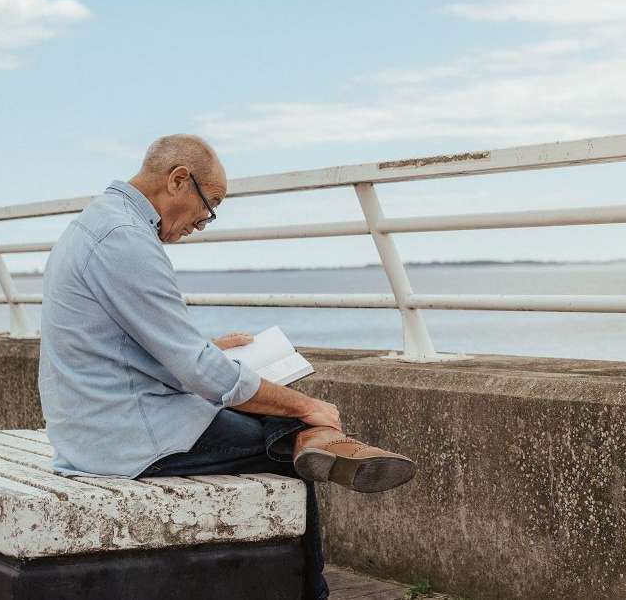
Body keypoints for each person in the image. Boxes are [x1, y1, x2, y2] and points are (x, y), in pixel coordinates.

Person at [37, 134, 415, 600]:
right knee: (285, 449)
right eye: (210, 204)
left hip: (93, 423)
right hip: (125, 437)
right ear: (179, 180)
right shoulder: (125, 241)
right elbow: (201, 373)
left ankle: (315, 438)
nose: (204, 222)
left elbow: (127, 342)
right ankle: (315, 461)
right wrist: (306, 404)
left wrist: (207, 349)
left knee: (271, 418)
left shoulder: (97, 224)